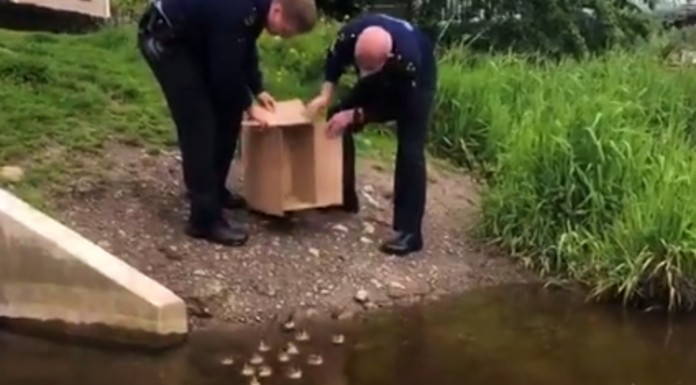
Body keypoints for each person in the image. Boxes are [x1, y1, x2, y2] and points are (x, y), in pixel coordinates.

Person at [137, 0, 317, 246]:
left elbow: (243, 46)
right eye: (288, 29)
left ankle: (213, 190)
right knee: (198, 121)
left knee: (228, 111)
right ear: (277, 10)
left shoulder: (256, 10)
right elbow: (225, 71)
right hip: (166, 38)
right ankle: (204, 220)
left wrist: (257, 88)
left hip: (196, 36)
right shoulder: (239, 9)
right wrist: (249, 106)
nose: (287, 37)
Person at [306, 13, 437, 257]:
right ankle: (341, 196)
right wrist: (325, 94)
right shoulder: (349, 34)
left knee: (410, 150)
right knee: (335, 118)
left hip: (416, 85)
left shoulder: (409, 59)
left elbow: (398, 107)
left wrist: (358, 115)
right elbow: (334, 61)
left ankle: (410, 233)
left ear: (387, 57)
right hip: (375, 64)